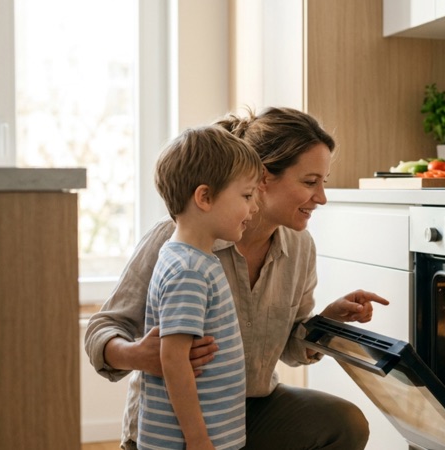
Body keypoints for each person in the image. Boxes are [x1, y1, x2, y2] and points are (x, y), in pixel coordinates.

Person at [85, 106, 390, 450]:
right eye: (309, 182)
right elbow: (102, 330)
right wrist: (135, 354)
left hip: (247, 410)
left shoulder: (300, 247)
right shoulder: (175, 243)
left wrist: (326, 322)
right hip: (174, 425)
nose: (321, 198)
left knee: (342, 423)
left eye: (324, 183)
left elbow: (290, 348)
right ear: (262, 178)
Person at [137, 126, 263, 450]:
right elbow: (174, 361)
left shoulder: (194, 259)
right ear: (204, 197)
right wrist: (197, 439)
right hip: (187, 442)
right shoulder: (189, 270)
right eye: (247, 196)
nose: (255, 208)